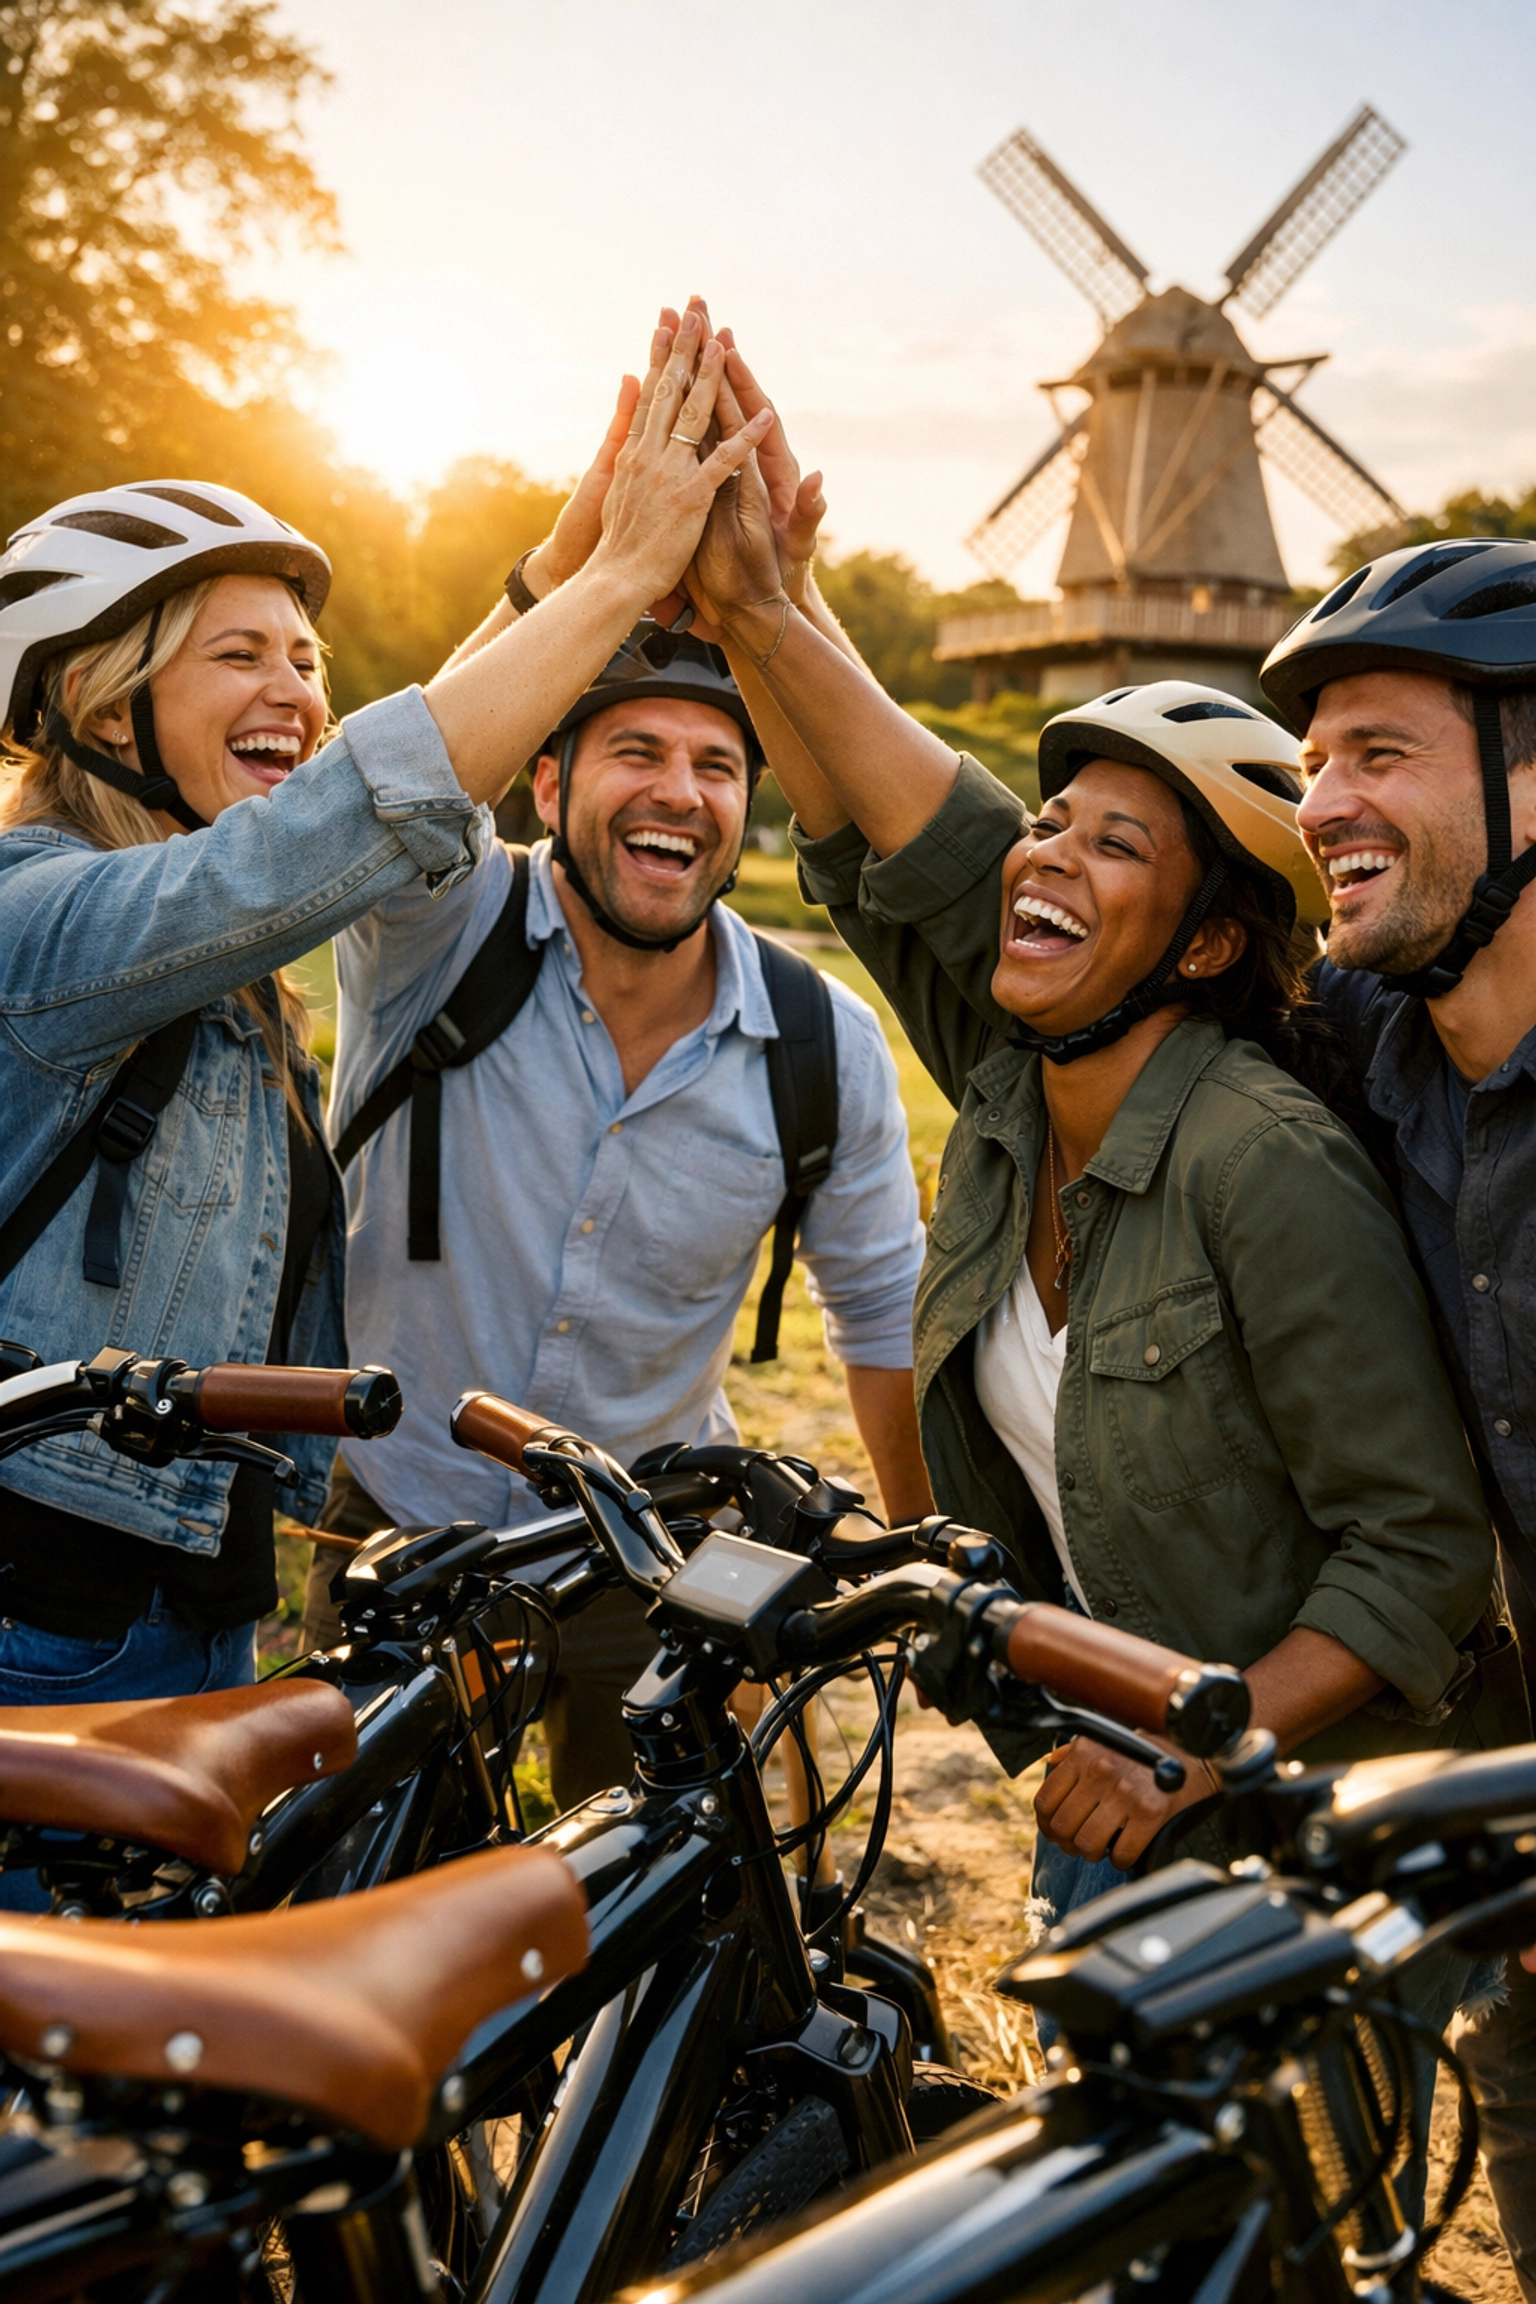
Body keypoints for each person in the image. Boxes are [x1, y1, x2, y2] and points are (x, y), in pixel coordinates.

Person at [674, 351, 1514, 2211]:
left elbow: (1414, 1553)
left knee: (1295, 2224)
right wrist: (762, 609)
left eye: (1112, 841)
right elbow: (910, 842)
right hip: (1099, 1774)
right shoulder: (1017, 1070)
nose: (1044, 855)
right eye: (1050, 822)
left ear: (1214, 936)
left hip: (1286, 1810)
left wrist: (1178, 1755)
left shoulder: (1261, 1160)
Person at [0, 305, 770, 1710]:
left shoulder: (212, 937)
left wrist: (557, 567)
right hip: (39, 1615)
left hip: (180, 1596)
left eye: (307, 659)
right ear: (110, 713)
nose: (295, 689)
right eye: (242, 655)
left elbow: (348, 793)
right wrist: (622, 582)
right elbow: (343, 824)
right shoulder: (40, 917)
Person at [305, 486, 932, 1812]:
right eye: (634, 749)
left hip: (647, 1554)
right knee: (366, 1935)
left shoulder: (825, 1044)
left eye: (716, 765)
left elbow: (881, 1315)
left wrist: (921, 1557)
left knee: (674, 1931)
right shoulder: (435, 928)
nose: (679, 791)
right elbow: (393, 787)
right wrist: (590, 542)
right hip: (399, 1530)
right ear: (545, 783)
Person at [1262, 543, 1536, 2298]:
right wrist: (779, 618)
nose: (1324, 803)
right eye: (1311, 767)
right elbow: (1030, 900)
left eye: (1378, 750)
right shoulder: (1383, 1037)